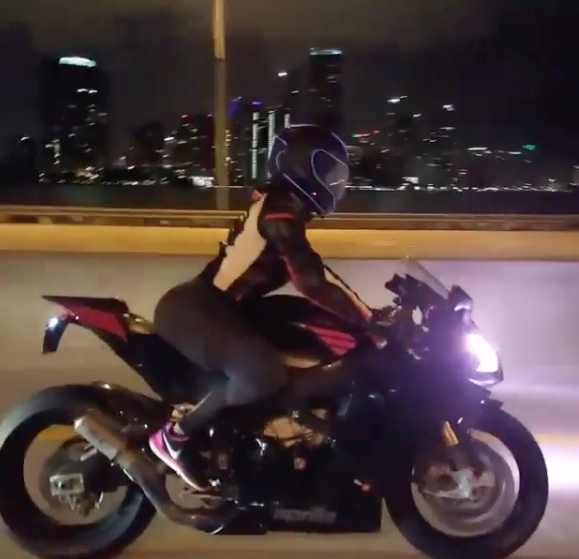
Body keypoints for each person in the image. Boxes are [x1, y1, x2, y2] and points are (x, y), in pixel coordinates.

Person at [148, 123, 377, 491]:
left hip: (220, 311)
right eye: (328, 170)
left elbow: (319, 274)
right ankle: (175, 437)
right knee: (262, 371)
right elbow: (311, 283)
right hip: (195, 309)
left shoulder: (286, 212)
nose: (336, 182)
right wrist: (370, 321)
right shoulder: (279, 211)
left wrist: (368, 315)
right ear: (302, 165)